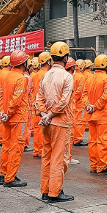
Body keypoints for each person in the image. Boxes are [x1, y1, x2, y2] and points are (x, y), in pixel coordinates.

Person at [34, 42, 75, 203]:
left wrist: (44, 115)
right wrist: (50, 115)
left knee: (47, 157)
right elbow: (64, 101)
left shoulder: (45, 75)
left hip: (47, 124)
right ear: (65, 57)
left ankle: (45, 190)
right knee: (59, 158)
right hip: (60, 122)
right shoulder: (67, 76)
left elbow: (39, 99)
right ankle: (55, 192)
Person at [0, 50, 30, 187]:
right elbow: (17, 100)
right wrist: (9, 112)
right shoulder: (21, 78)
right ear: (23, 63)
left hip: (7, 118)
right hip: (18, 118)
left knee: (6, 146)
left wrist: (2, 112)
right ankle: (10, 178)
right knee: (16, 148)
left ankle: (3, 174)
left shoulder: (6, 76)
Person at [85, 54, 107, 175]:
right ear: (106, 66)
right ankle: (102, 166)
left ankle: (94, 165)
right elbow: (105, 97)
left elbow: (84, 95)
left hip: (91, 115)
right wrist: (95, 106)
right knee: (104, 141)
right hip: (104, 116)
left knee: (93, 142)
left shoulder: (89, 78)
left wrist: (89, 106)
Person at [30, 53, 50, 157]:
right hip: (44, 105)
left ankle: (37, 149)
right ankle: (41, 149)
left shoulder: (36, 74)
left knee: (37, 128)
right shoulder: (47, 75)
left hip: (36, 104)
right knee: (43, 129)